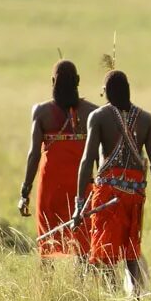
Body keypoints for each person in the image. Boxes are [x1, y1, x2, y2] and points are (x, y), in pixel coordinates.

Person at [75, 70, 151, 296]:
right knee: (131, 250)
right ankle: (135, 297)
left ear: (105, 92)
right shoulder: (146, 119)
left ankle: (113, 296)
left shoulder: (98, 116)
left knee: (106, 250)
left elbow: (87, 160)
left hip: (107, 195)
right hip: (135, 196)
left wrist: (79, 203)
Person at [18, 60, 98, 258]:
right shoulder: (93, 112)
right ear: (78, 81)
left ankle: (47, 285)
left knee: (47, 240)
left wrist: (25, 191)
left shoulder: (41, 112)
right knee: (83, 240)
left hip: (50, 186)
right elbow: (99, 154)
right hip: (81, 185)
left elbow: (34, 154)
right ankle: (83, 285)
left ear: (52, 81)